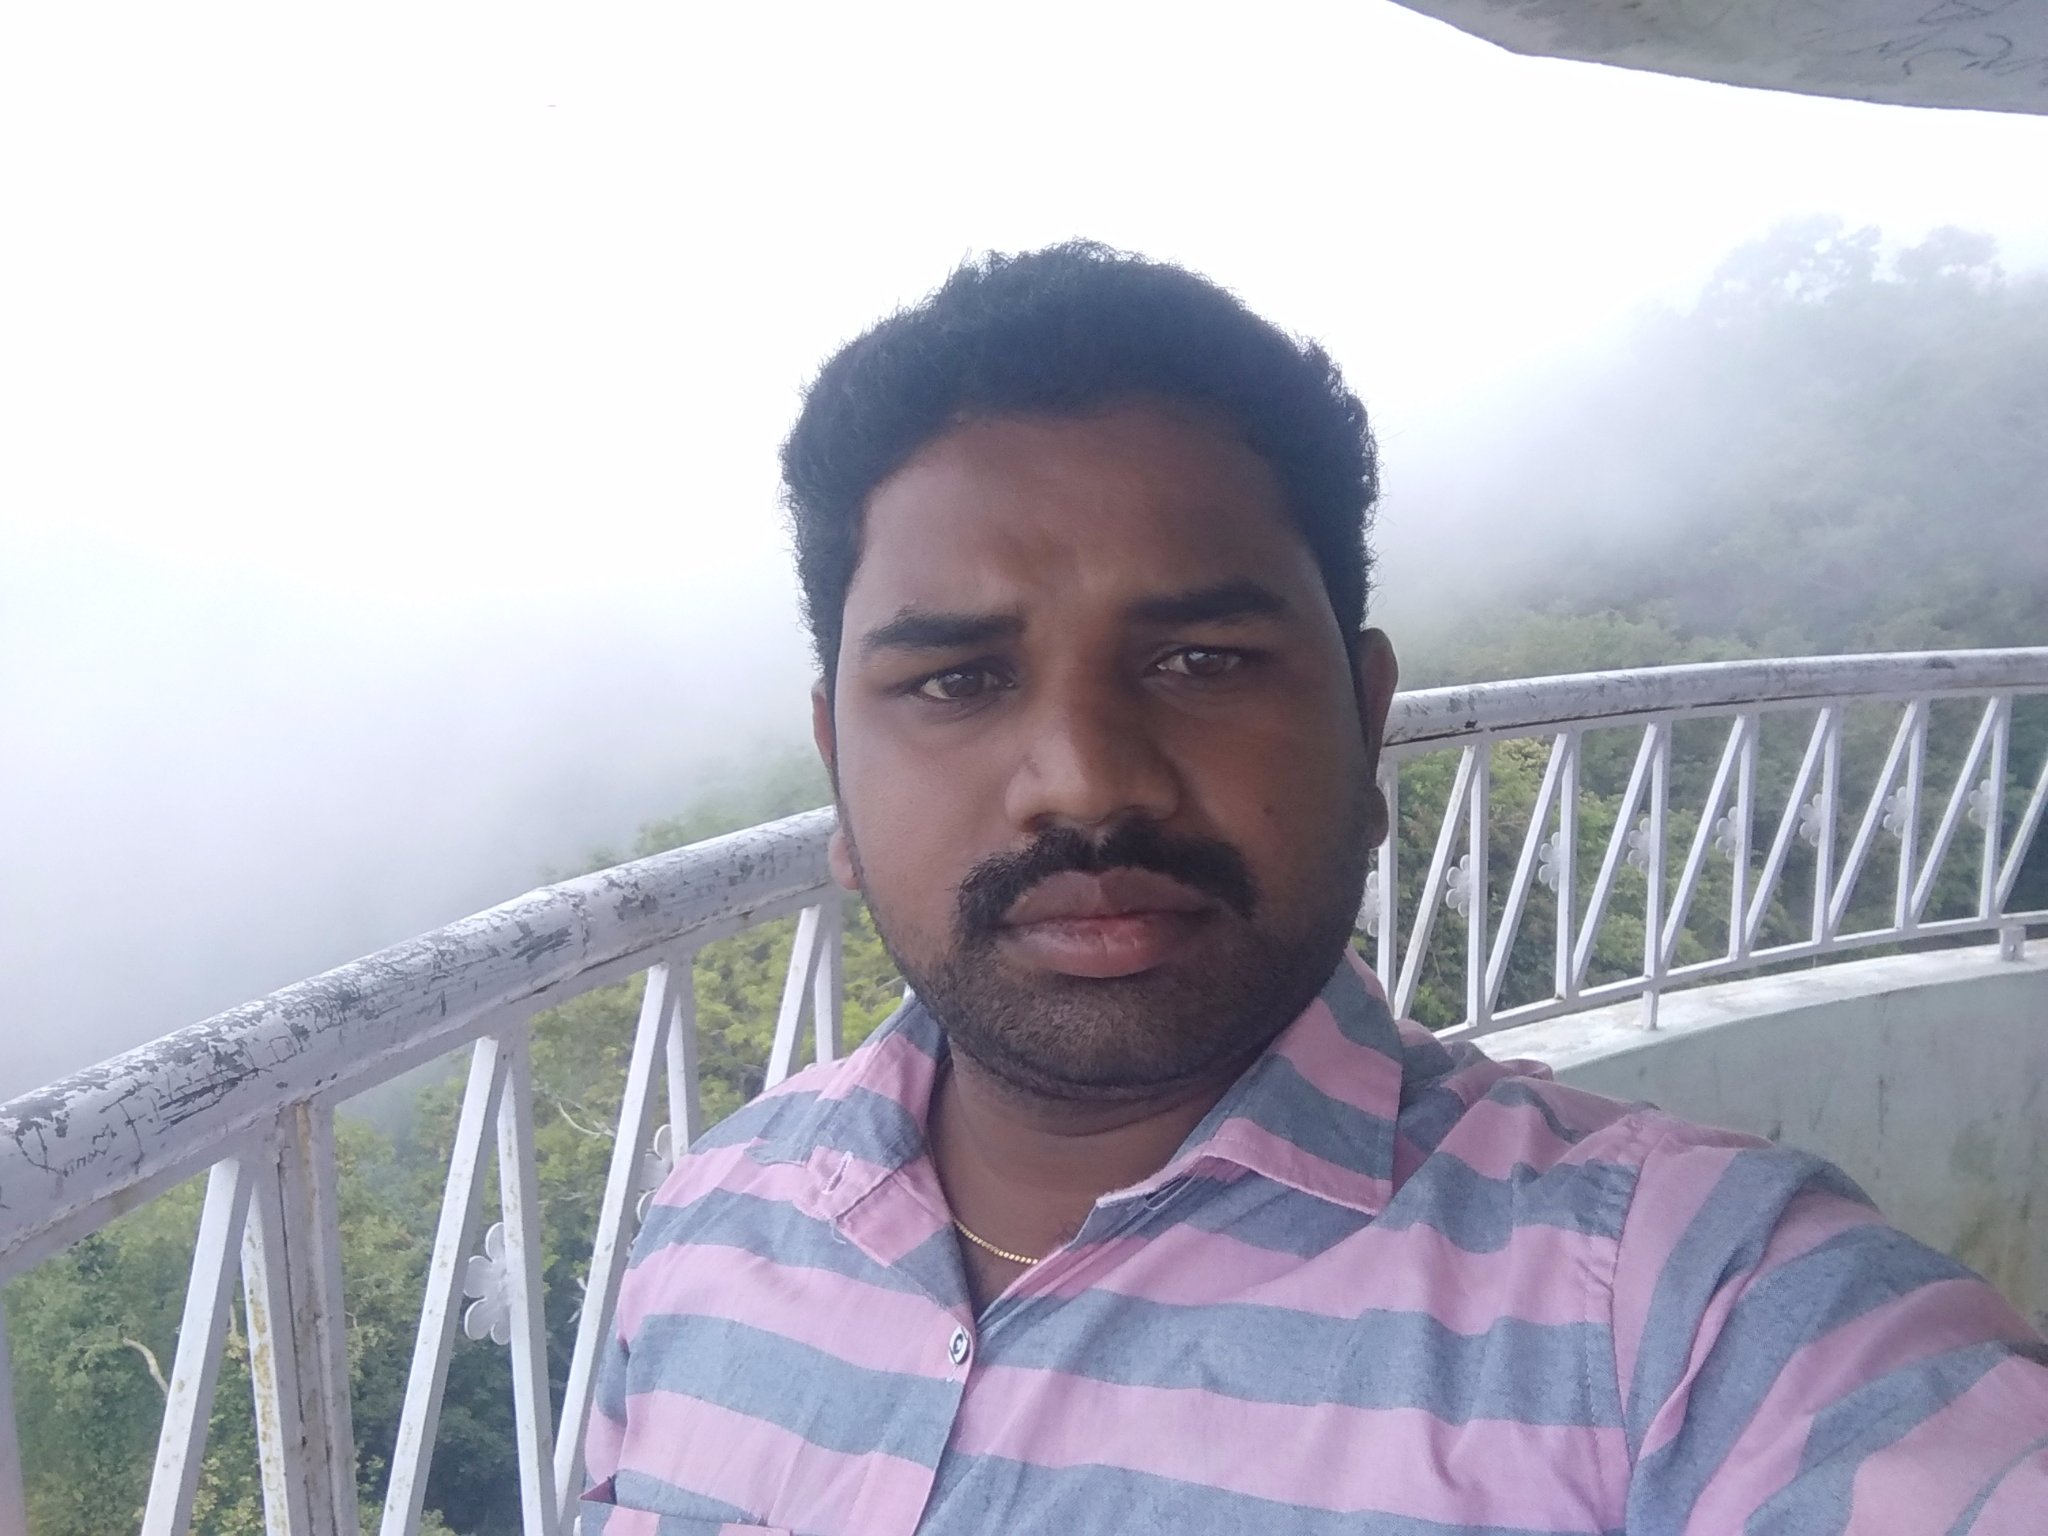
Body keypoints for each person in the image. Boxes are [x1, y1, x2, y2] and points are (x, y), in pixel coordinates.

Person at [581, 243, 2048, 1534]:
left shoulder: (1681, 1308)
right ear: (837, 769)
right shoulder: (708, 1230)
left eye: (1201, 661)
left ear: (1366, 719)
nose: (1086, 780)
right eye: (958, 680)